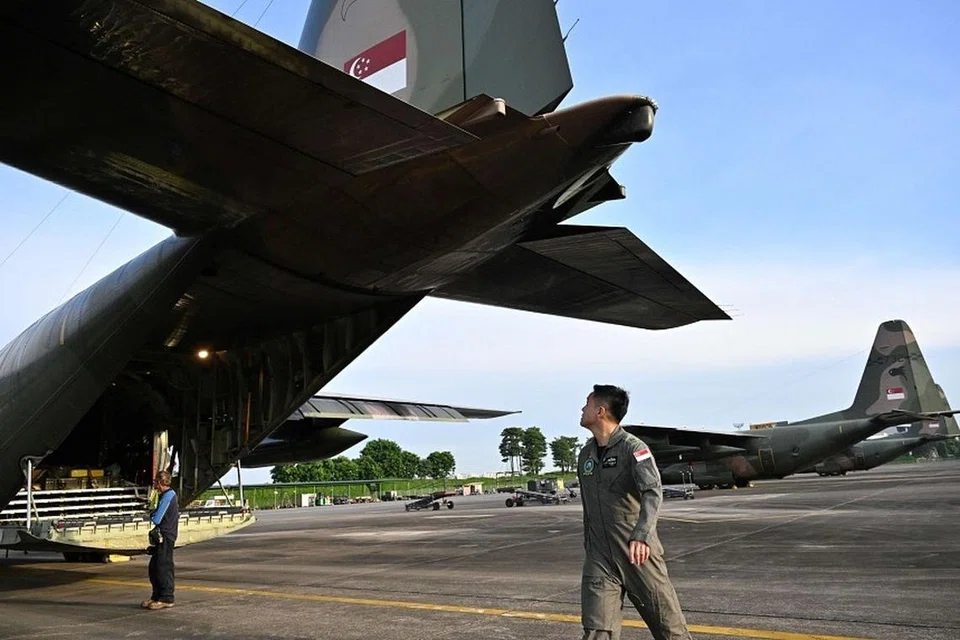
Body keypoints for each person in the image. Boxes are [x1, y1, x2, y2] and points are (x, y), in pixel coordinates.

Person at [577, 384, 692, 640]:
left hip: (636, 552)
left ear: (600, 411)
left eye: (587, 403)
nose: (582, 408)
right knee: (597, 630)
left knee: (669, 628)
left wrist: (642, 535)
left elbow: (652, 492)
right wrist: (590, 546)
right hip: (599, 557)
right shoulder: (585, 454)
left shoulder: (633, 448)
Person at [142, 470, 178, 610]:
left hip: (166, 536)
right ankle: (156, 596)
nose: (155, 485)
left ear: (161, 482)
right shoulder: (166, 495)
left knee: (163, 567)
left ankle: (166, 597)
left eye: (156, 482)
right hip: (162, 536)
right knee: (154, 567)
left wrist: (150, 514)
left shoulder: (168, 496)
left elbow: (157, 518)